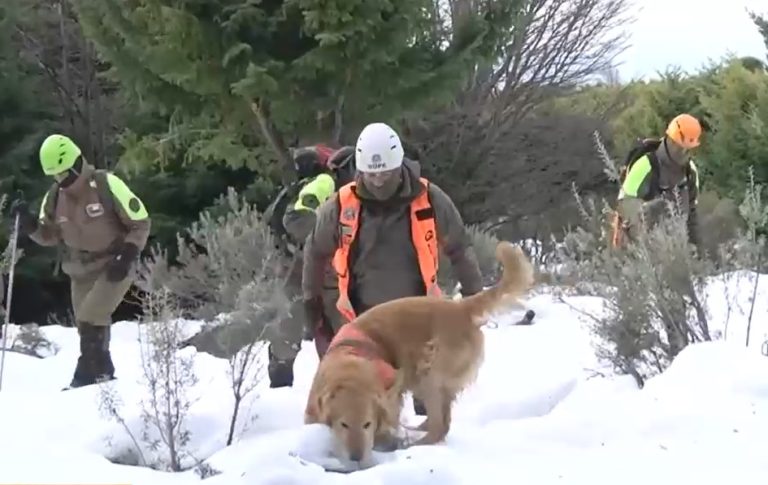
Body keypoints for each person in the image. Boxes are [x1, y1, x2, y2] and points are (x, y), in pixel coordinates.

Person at [301, 122, 484, 414]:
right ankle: (379, 436)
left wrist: (475, 296)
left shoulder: (430, 198)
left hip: (419, 316)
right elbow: (315, 251)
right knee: (368, 394)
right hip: (362, 319)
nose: (378, 181)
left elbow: (459, 247)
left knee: (428, 392)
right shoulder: (342, 205)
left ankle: (431, 435)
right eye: (371, 174)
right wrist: (311, 301)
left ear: (399, 164)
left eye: (385, 173)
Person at [9, 134, 151, 389]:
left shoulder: (106, 184)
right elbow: (49, 235)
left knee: (90, 316)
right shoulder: (55, 197)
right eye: (54, 176)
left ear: (76, 163)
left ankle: (86, 376)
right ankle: (103, 374)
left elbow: (140, 222)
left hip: (115, 262)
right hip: (81, 269)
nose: (60, 180)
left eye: (63, 174)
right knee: (87, 324)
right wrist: (30, 225)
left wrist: (128, 253)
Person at [265, 144, 356, 388]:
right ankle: (282, 388)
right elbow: (297, 218)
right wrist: (331, 238)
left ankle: (336, 385)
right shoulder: (326, 183)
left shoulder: (341, 189)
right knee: (301, 327)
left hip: (305, 267)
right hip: (303, 267)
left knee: (300, 327)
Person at [612, 113, 702, 251]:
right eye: (679, 147)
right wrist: (652, 212)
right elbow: (625, 205)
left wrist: (696, 249)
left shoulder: (690, 171)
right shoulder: (645, 165)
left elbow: (692, 214)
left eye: (688, 149)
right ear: (670, 140)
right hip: (640, 248)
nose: (683, 152)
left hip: (675, 247)